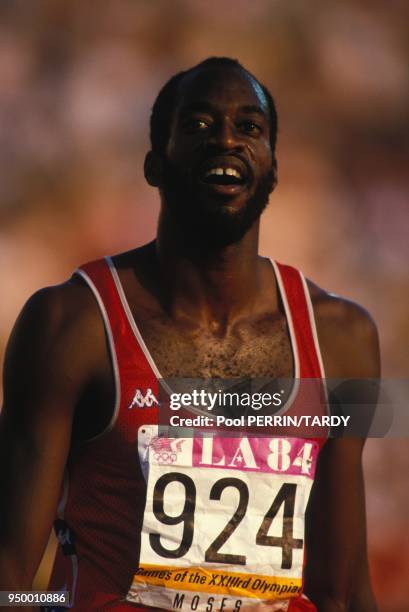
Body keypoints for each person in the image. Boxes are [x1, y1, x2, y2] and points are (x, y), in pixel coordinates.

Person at [0, 57, 380, 612]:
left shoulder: (346, 339)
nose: (226, 139)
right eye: (198, 125)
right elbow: (9, 568)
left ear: (273, 167)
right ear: (154, 163)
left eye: (249, 127)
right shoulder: (68, 325)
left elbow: (343, 590)